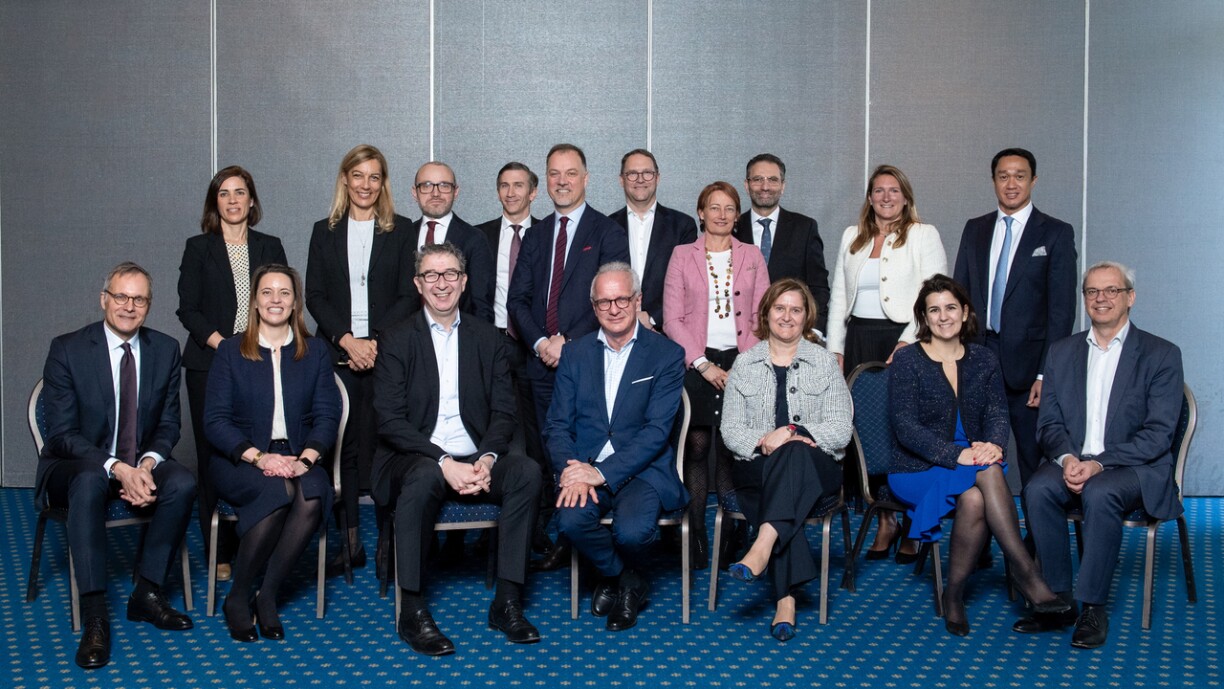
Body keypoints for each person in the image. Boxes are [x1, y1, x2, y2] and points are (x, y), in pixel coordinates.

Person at [372, 243, 542, 655]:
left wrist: (487, 458)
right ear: (418, 284)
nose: (441, 283)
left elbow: (504, 411)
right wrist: (443, 461)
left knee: (527, 472)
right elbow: (389, 420)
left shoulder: (487, 338)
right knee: (423, 476)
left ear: (464, 282)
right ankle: (412, 610)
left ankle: (506, 603)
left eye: (450, 274)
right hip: (417, 458)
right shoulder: (396, 338)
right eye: (431, 275)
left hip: (476, 456)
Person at [887, 274, 1070, 637]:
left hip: (973, 458)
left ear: (965, 312)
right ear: (924, 316)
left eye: (950, 307)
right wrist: (956, 454)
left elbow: (998, 413)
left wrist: (995, 445)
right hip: (917, 466)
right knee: (987, 471)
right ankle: (1026, 572)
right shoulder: (907, 360)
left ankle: (954, 594)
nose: (943, 316)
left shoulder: (984, 359)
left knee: (974, 496)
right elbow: (905, 427)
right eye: (934, 310)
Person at [37, 262, 197, 669]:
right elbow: (61, 435)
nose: (129, 306)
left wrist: (145, 464)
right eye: (121, 296)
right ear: (104, 299)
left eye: (139, 299)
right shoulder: (68, 349)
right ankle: (95, 615)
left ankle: (147, 592)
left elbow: (169, 424)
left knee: (181, 481)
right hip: (75, 466)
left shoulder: (165, 349)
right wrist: (117, 468)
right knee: (90, 479)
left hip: (136, 461)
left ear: (149, 305)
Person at [1018, 261, 1183, 649]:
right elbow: (1049, 423)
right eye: (1092, 291)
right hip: (1074, 459)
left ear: (1130, 297)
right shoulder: (1062, 352)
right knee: (1037, 489)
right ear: (1084, 299)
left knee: (1101, 491)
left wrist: (1098, 463)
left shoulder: (1161, 354)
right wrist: (1067, 459)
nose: (1101, 298)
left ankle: (1092, 606)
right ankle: (1057, 599)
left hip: (1134, 466)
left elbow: (1158, 435)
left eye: (1112, 290)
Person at [507, 143, 630, 570]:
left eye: (571, 173)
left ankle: (578, 531)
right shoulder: (536, 234)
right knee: (548, 451)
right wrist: (542, 343)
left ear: (586, 178)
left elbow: (614, 300)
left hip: (588, 362)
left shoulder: (607, 232)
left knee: (585, 447)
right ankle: (558, 528)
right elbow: (517, 300)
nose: (562, 181)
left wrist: (569, 344)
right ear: (546, 180)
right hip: (539, 363)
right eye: (555, 174)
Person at [545, 262, 686, 632]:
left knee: (633, 532)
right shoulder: (575, 355)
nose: (614, 309)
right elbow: (557, 425)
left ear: (637, 300)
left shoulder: (667, 354)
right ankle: (626, 580)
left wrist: (601, 473)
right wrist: (572, 471)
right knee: (570, 522)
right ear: (594, 307)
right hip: (584, 465)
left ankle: (617, 579)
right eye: (604, 302)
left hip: (642, 470)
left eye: (622, 299)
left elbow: (656, 432)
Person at [204, 264, 341, 642]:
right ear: (254, 301)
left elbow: (327, 414)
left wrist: (306, 459)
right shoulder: (231, 351)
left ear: (296, 303)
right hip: (240, 458)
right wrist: (259, 457)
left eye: (284, 293)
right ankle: (238, 597)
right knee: (277, 493)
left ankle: (267, 595)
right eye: (267, 292)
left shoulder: (314, 351)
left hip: (299, 453)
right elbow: (215, 420)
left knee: (311, 496)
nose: (275, 300)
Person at [306, 144, 418, 575]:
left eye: (374, 176)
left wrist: (373, 342)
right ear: (345, 180)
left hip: (385, 355)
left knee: (389, 446)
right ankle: (350, 541)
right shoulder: (324, 230)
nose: (365, 185)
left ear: (382, 183)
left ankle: (390, 541)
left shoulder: (402, 229)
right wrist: (348, 341)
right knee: (344, 449)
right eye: (358, 175)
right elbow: (314, 295)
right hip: (338, 356)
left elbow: (408, 295)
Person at [826, 164, 946, 562]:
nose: (886, 197)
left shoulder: (923, 234)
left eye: (894, 190)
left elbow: (934, 295)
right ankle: (885, 520)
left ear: (906, 197)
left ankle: (911, 519)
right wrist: (835, 348)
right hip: (859, 339)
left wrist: (909, 341)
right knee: (868, 427)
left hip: (906, 339)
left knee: (904, 428)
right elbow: (839, 295)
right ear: (870, 197)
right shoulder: (852, 236)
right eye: (879, 190)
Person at [720, 279, 852, 642]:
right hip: (758, 465)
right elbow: (730, 430)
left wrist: (792, 430)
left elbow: (841, 429)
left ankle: (761, 547)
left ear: (807, 316)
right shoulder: (745, 363)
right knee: (784, 479)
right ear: (766, 313)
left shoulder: (824, 362)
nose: (787, 316)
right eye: (780, 308)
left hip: (817, 467)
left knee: (793, 452)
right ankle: (786, 600)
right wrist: (765, 441)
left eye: (796, 310)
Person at [177, 165, 287, 583]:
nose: (233, 200)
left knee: (259, 447)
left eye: (240, 192)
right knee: (215, 454)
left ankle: (255, 540)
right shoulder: (198, 248)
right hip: (210, 364)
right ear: (215, 202)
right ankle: (218, 549)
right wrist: (226, 347)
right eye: (224, 193)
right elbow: (188, 309)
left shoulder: (269, 245)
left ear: (252, 200)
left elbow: (281, 302)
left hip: (262, 361)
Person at [953, 147, 1077, 487]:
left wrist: (1045, 373)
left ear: (1033, 181)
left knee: (1032, 458)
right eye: (1003, 176)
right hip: (978, 357)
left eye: (1020, 176)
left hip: (1030, 367)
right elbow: (959, 297)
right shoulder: (975, 229)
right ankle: (977, 522)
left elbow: (1062, 311)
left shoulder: (1055, 232)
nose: (1011, 184)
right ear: (993, 181)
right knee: (977, 454)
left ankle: (1036, 524)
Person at [662, 181, 769, 570]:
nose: (721, 215)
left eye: (729, 208)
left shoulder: (752, 255)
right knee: (697, 446)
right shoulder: (682, 255)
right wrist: (702, 364)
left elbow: (762, 313)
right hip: (696, 361)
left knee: (730, 448)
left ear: (737, 216)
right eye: (714, 207)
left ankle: (732, 534)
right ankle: (696, 535)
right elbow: (671, 318)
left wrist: (743, 364)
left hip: (742, 361)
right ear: (701, 213)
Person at [476, 162, 551, 555]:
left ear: (533, 192)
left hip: (537, 347)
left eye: (519, 185)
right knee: (495, 432)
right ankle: (491, 523)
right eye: (504, 185)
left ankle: (537, 523)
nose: (511, 192)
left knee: (538, 437)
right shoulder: (480, 236)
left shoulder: (547, 234)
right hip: (494, 343)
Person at [733, 153, 830, 335]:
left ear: (783, 186)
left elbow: (818, 286)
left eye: (773, 180)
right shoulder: (732, 229)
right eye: (757, 179)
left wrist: (814, 332)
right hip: (742, 334)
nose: (765, 187)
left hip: (792, 333)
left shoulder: (805, 228)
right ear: (746, 185)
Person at [609, 148, 698, 330]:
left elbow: (689, 285)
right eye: (632, 174)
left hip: (667, 331)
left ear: (657, 178)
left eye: (647, 173)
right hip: (616, 328)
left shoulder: (682, 226)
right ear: (621, 180)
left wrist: (652, 317)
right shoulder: (607, 226)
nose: (640, 179)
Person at [409, 161, 496, 322]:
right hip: (408, 334)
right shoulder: (404, 235)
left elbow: (482, 305)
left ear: (455, 191)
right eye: (427, 185)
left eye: (444, 185)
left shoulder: (474, 238)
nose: (435, 193)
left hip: (460, 334)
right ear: (415, 192)